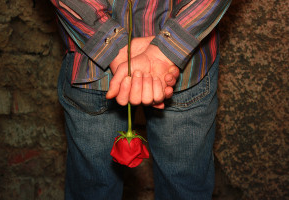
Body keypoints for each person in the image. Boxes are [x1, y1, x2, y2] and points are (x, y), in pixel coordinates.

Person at [49, 0, 232, 199]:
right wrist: (169, 47)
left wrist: (111, 45)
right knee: (183, 189)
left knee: (92, 190)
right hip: (184, 67)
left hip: (93, 66)